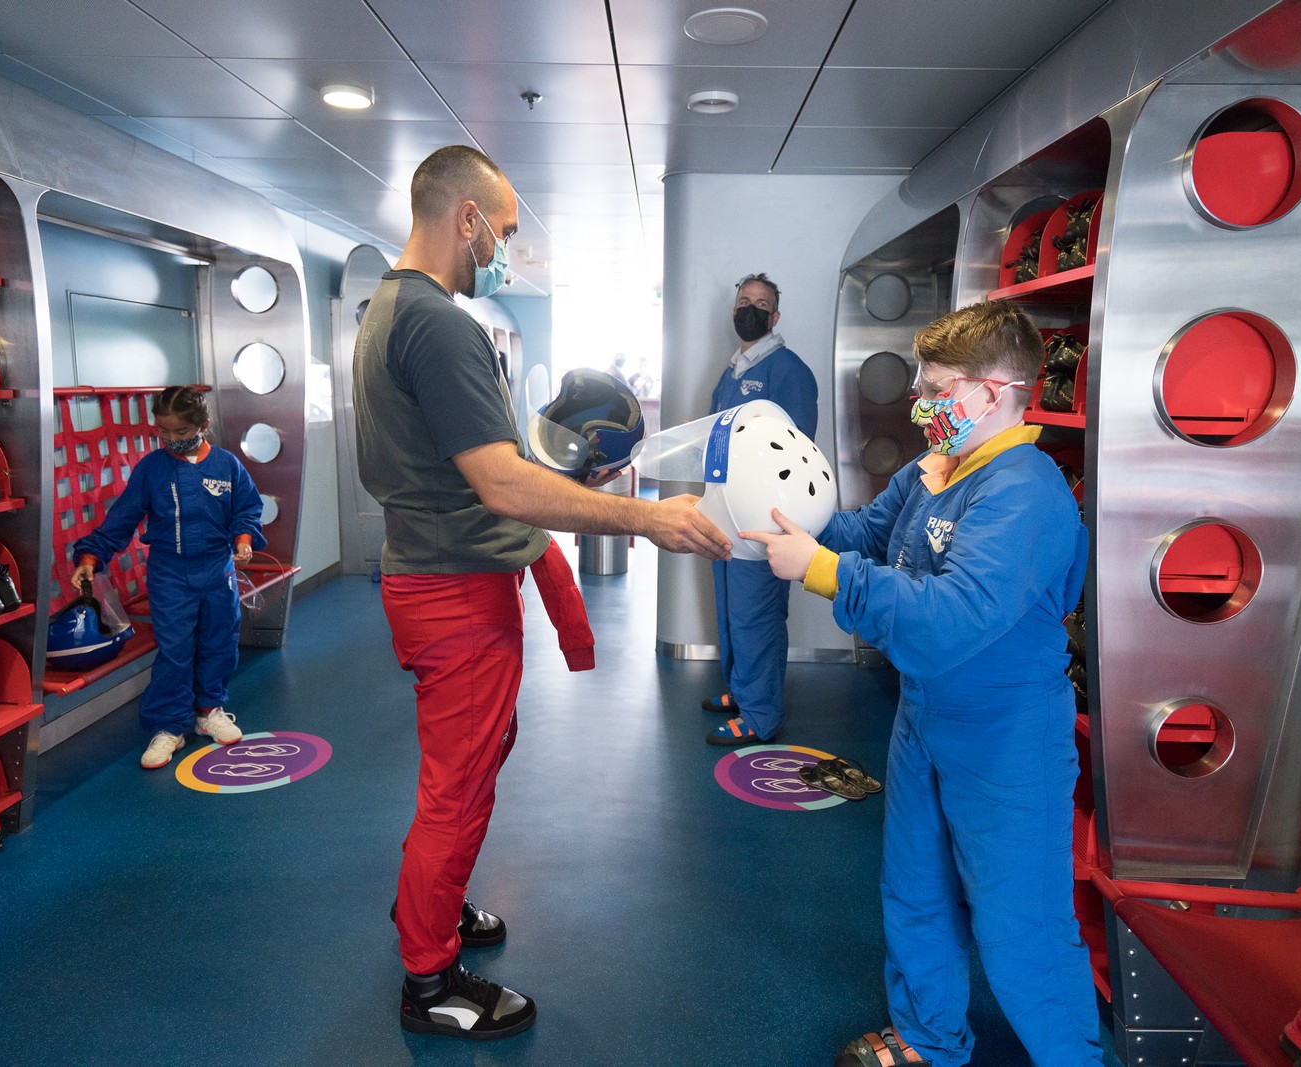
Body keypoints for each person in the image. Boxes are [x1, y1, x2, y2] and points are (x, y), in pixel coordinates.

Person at [353, 144, 731, 1042]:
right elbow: (505, 485)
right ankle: (428, 975)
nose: (505, 253)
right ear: (467, 216)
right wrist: (644, 519)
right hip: (454, 591)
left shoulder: (389, 307)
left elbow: (493, 459)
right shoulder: (437, 322)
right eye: (505, 232)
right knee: (457, 786)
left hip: (432, 572)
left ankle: (434, 912)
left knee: (470, 768)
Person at [742, 300, 1103, 1067]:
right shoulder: (937, 467)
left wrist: (817, 569)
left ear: (993, 391)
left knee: (1021, 929)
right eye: (921, 383)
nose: (921, 401)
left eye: (937, 387)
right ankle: (927, 1038)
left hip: (1006, 737)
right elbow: (865, 533)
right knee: (915, 890)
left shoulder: (1026, 491)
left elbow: (952, 615)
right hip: (925, 716)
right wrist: (787, 522)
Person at [70, 386, 265, 770]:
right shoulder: (152, 469)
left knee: (219, 642)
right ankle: (169, 726)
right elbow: (122, 518)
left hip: (217, 570)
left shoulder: (226, 466)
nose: (171, 439)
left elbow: (247, 509)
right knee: (175, 651)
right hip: (170, 573)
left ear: (203, 425)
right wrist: (91, 556)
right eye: (163, 432)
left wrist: (243, 538)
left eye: (180, 432)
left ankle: (209, 709)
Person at [702, 272, 818, 746]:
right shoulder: (732, 372)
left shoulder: (788, 371)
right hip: (725, 513)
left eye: (761, 303)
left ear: (775, 316)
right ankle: (741, 690)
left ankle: (760, 714)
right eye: (743, 301)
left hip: (760, 519)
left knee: (758, 614)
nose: (749, 309)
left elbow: (797, 451)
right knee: (732, 611)